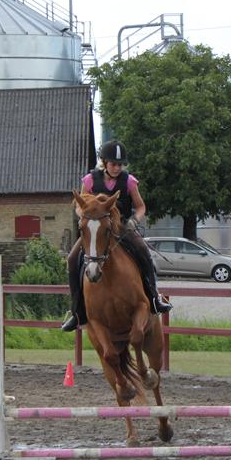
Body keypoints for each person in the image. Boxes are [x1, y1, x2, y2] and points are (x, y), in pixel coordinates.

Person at [61, 140, 172, 332]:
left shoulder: (129, 181)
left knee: (143, 251)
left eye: (120, 164)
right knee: (72, 258)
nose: (117, 168)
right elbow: (80, 205)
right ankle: (77, 312)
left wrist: (134, 221)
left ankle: (154, 298)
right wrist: (85, 216)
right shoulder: (89, 180)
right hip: (97, 231)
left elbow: (141, 207)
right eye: (113, 164)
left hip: (122, 229)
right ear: (105, 162)